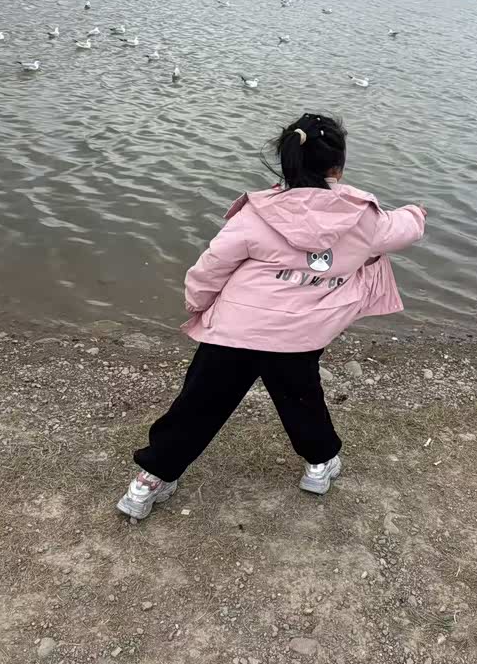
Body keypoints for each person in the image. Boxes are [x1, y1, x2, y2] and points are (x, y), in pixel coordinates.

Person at [118, 112, 427, 520]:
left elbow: (211, 267)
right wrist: (416, 212)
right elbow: (405, 228)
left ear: (287, 162)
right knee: (301, 400)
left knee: (198, 404)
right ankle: (319, 465)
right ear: (338, 167)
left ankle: (150, 481)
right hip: (299, 337)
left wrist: (197, 303)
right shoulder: (364, 218)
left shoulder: (257, 214)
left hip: (234, 332)